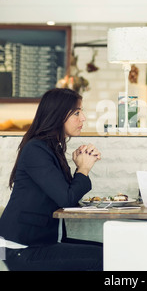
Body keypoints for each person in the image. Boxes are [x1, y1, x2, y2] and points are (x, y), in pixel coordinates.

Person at [0, 88, 103, 271]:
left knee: (111, 251)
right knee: (102, 258)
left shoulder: (51, 148)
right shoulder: (36, 149)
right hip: (20, 250)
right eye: (77, 113)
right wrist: (84, 169)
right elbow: (67, 199)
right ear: (58, 115)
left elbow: (64, 198)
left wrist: (79, 166)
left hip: (40, 243)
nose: (83, 118)